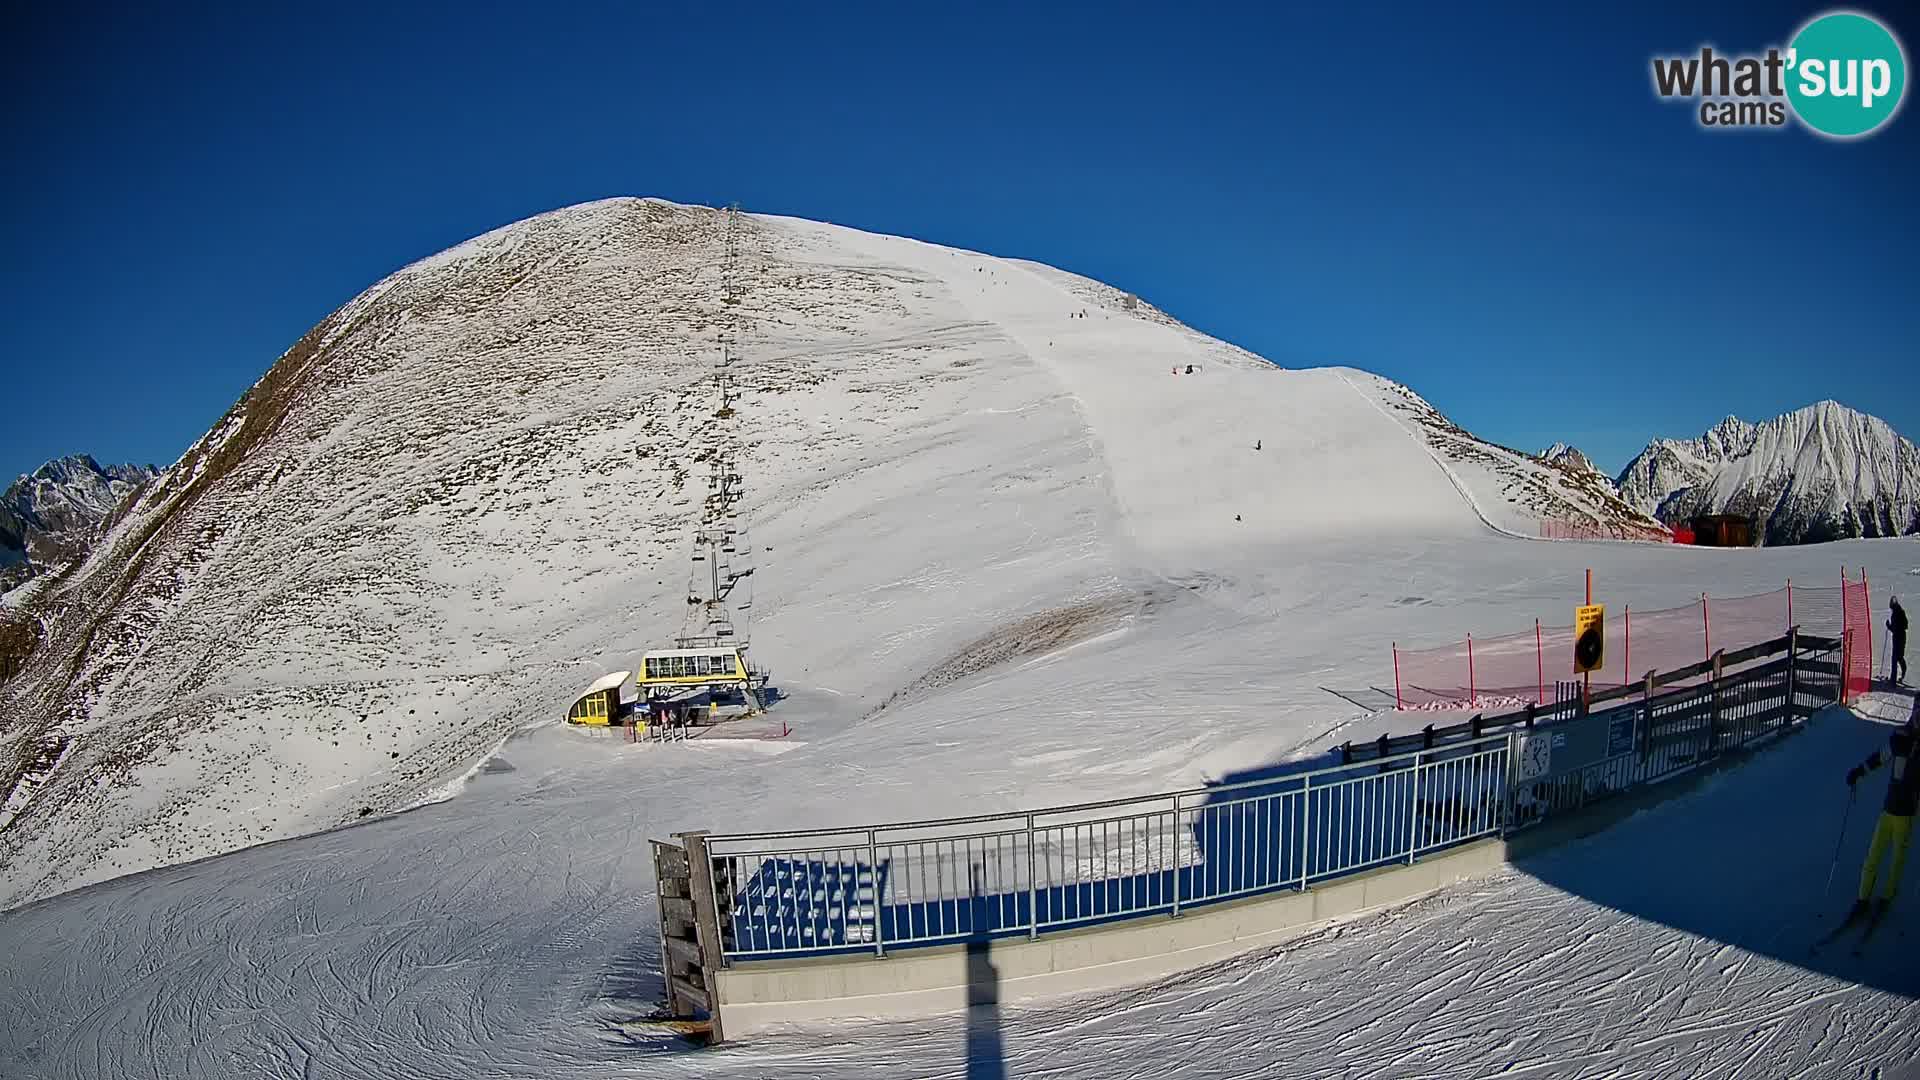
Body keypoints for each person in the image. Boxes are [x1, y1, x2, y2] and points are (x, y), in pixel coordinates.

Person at [1845, 702, 1918, 921]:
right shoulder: (1901, 738)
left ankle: (1887, 897)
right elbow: (1880, 757)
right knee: (1874, 854)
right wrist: (1859, 771)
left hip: (1907, 811)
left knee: (1897, 857)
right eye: (1918, 713)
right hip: (1890, 807)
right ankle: (1862, 899)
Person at [1889, 596, 1908, 684]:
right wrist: (1890, 626)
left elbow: (1903, 625)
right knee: (1898, 657)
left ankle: (1894, 680)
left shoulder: (1899, 612)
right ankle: (1896, 677)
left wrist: (1891, 626)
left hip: (1899, 638)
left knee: (1896, 658)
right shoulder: (1898, 612)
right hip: (1899, 638)